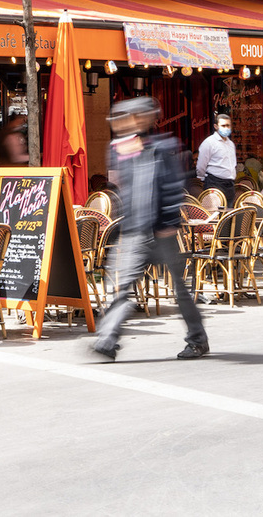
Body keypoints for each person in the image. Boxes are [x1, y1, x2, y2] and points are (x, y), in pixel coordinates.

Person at [89, 97, 209, 361]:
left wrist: (168, 222)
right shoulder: (122, 148)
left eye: (124, 118)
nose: (118, 124)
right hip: (135, 232)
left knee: (179, 289)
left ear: (141, 118)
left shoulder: (163, 147)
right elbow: (126, 188)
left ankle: (198, 340)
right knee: (122, 286)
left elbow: (171, 187)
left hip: (162, 233)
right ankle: (108, 340)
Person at [195, 113, 238, 202]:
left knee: (229, 213)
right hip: (215, 183)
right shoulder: (209, 143)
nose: (226, 128)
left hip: (230, 184)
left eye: (228, 125)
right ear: (216, 126)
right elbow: (201, 165)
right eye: (223, 125)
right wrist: (203, 178)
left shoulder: (231, 144)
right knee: (215, 213)